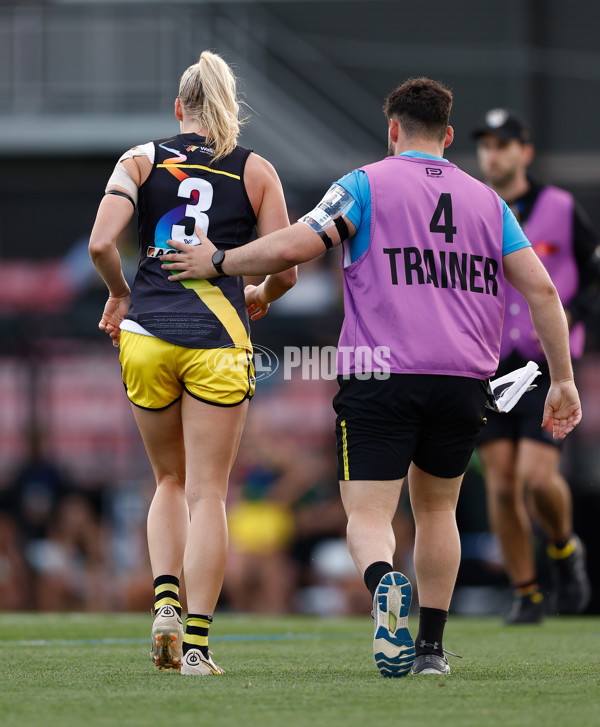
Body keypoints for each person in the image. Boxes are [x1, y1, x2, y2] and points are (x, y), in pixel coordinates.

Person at [158, 78, 582, 677]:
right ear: (450, 136)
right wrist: (562, 381)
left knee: (369, 515)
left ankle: (385, 583)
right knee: (439, 513)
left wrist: (222, 261)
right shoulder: (490, 202)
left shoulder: (364, 185)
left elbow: (298, 245)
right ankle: (431, 651)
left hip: (380, 373)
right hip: (464, 380)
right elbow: (542, 289)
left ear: (392, 131)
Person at [89, 51, 297, 675]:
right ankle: (199, 646)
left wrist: (120, 292)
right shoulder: (256, 170)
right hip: (218, 338)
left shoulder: (140, 158)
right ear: (230, 110)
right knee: (209, 492)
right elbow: (285, 267)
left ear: (179, 108)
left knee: (168, 483)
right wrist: (260, 294)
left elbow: (102, 242)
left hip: (147, 333)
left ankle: (164, 605)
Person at [472, 109, 597, 624]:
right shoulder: (474, 207)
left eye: (503, 145)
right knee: (501, 483)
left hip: (547, 359)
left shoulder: (561, 207)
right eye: (485, 145)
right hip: (492, 360)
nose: (492, 155)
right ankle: (527, 591)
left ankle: (564, 548)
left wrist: (574, 316)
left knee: (536, 477)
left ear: (524, 152)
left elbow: (593, 273)